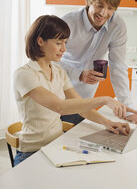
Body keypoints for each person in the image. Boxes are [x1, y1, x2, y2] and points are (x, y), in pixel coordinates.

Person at [13, 14, 130, 166]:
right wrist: (105, 99)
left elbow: (81, 106)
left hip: (56, 146)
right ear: (40, 41)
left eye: (65, 42)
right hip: (31, 152)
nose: (64, 49)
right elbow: (60, 107)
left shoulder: (58, 71)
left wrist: (108, 123)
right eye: (58, 43)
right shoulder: (24, 74)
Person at [59, 0, 137, 125]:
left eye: (110, 8)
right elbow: (49, 61)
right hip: (57, 92)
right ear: (88, 1)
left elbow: (118, 68)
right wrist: (79, 74)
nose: (103, 13)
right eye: (99, 6)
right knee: (51, 139)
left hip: (85, 99)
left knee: (74, 140)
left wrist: (127, 110)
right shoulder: (68, 23)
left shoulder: (117, 26)